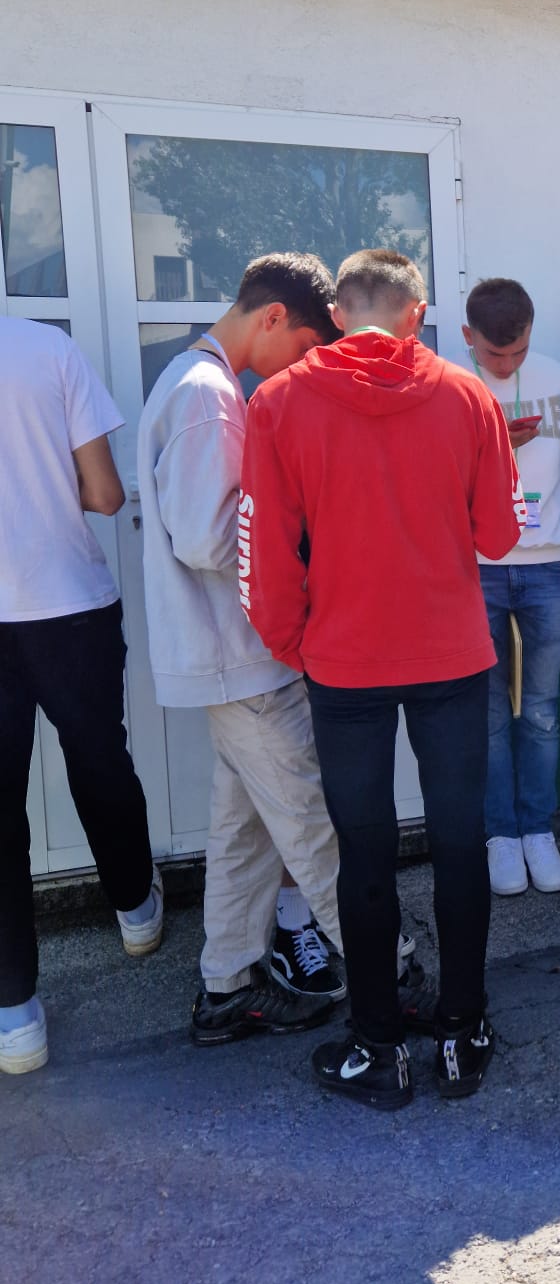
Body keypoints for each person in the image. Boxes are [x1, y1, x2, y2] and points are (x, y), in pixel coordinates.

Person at [242, 248, 521, 1109]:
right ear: (417, 313)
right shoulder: (468, 395)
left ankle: (378, 1047)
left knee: (362, 853)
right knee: (459, 842)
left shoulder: (278, 401)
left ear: (338, 312)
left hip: (345, 661)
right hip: (451, 655)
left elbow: (264, 550)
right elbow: (500, 535)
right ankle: (462, 1034)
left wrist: (295, 643)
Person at [137, 254, 347, 1047]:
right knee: (311, 823)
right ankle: (393, 975)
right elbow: (207, 538)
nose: (300, 366)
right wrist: (304, 536)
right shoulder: (209, 395)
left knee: (246, 831)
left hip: (230, 655)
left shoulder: (198, 383)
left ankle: (227, 988)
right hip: (243, 653)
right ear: (272, 318)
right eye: (304, 347)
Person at [0, 316, 160, 1076]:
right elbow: (104, 492)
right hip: (67, 606)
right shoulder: (48, 350)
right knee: (100, 762)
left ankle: (14, 1013)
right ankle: (135, 911)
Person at [463, 276, 560, 899]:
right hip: (478, 567)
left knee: (540, 709)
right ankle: (501, 835)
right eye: (495, 354)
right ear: (468, 337)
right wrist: (492, 444)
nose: (507, 364)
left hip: (549, 564)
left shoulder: (555, 376)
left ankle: (538, 830)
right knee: (488, 713)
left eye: (517, 351)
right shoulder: (451, 385)